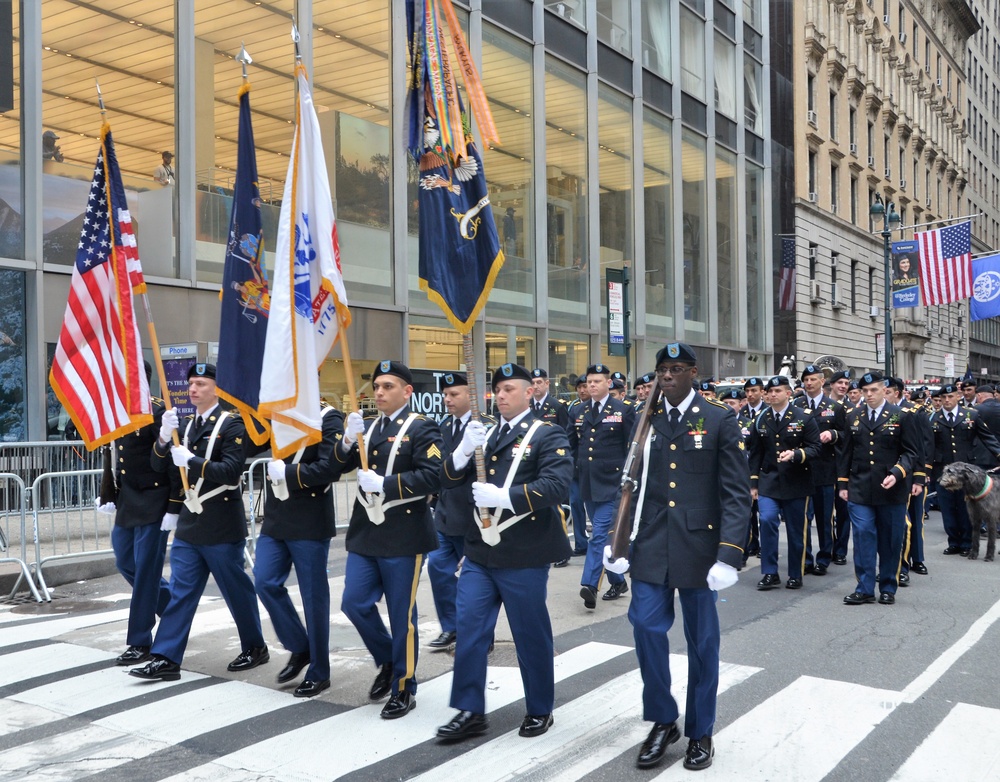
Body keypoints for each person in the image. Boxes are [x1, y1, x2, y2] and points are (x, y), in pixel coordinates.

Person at [605, 342, 749, 771]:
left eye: (675, 369)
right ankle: (664, 718)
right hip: (650, 544)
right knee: (646, 627)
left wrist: (729, 554)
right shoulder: (643, 420)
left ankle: (700, 729)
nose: (666, 376)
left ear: (693, 372)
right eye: (661, 370)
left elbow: (736, 494)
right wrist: (617, 545)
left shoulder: (719, 420)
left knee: (702, 642)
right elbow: (632, 486)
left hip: (701, 550)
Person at [436, 362, 573, 742]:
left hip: (524, 554)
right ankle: (469, 710)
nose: (501, 396)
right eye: (497, 390)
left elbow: (558, 486)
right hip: (481, 553)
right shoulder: (487, 433)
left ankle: (540, 708)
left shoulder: (548, 433)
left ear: (530, 392)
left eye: (509, 389)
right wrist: (463, 452)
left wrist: (506, 497)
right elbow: (446, 480)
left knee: (530, 635)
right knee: (469, 631)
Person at [130, 363, 268, 681]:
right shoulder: (188, 425)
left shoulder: (232, 425)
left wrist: (192, 461)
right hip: (191, 523)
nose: (193, 389)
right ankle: (166, 657)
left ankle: (255, 646)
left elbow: (231, 471)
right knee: (181, 591)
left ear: (217, 389)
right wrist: (163, 441)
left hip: (221, 522)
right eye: (191, 383)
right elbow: (158, 465)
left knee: (235, 589)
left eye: (201, 384)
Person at [334, 360, 443, 719]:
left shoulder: (422, 428)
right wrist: (348, 440)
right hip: (367, 532)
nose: (379, 392)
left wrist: (386, 484)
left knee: (401, 616)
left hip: (403, 533)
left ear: (407, 391)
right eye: (377, 386)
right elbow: (339, 466)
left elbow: (432, 477)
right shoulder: (369, 428)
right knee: (354, 602)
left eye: (388, 386)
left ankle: (404, 685)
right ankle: (387, 659)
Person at [253, 401, 345, 697]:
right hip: (277, 515)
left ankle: (320, 670)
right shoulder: (277, 411)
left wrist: (290, 473)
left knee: (313, 597)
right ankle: (300, 646)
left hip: (309, 519)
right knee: (264, 581)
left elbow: (331, 467)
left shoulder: (328, 418)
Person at [100, 361, 179, 666]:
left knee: (146, 572)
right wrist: (108, 491)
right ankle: (176, 610)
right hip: (129, 500)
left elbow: (171, 464)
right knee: (125, 561)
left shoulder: (158, 413)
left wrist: (174, 507)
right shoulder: (118, 411)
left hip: (155, 500)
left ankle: (140, 641)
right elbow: (116, 455)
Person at [837, 371, 921, 606]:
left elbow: (911, 452)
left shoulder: (902, 416)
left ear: (885, 390)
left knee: (890, 540)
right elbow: (846, 453)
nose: (869, 395)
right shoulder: (853, 415)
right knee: (863, 536)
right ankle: (864, 588)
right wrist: (843, 483)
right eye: (865, 391)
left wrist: (898, 473)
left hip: (892, 489)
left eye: (873, 390)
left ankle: (887, 586)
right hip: (860, 487)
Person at [426, 372, 493, 651]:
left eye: (454, 394)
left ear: (471, 396)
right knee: (438, 570)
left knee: (475, 582)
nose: (447, 399)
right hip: (445, 513)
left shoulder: (487, 427)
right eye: (445, 395)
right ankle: (451, 627)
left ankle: (481, 636)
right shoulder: (442, 427)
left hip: (474, 516)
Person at [570, 363, 637, 607]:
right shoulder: (578, 410)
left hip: (612, 483)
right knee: (600, 536)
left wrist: (629, 480)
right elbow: (571, 445)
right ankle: (618, 580)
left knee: (598, 534)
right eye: (589, 382)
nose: (592, 385)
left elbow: (632, 447)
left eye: (597, 381)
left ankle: (589, 584)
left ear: (608, 383)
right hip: (587, 481)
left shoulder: (623, 409)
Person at [748, 375, 821, 590]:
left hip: (796, 481)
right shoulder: (761, 419)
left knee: (796, 530)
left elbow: (815, 447)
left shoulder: (803, 417)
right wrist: (753, 483)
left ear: (788, 393)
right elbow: (755, 453)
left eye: (777, 391)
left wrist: (797, 454)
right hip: (769, 481)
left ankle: (795, 573)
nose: (772, 395)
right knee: (768, 520)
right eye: (769, 391)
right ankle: (770, 572)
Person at [930, 384, 1000, 556]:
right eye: (944, 398)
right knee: (947, 506)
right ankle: (953, 541)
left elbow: (987, 437)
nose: (947, 400)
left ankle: (967, 542)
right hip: (943, 469)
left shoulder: (972, 415)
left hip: (966, 473)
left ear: (958, 396)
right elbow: (927, 445)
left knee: (965, 507)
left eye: (951, 397)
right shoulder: (932, 418)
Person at [795, 364, 846, 577]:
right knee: (802, 518)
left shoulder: (833, 407)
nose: (809, 383)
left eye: (813, 379)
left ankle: (824, 557)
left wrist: (833, 434)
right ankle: (805, 558)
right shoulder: (795, 405)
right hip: (802, 470)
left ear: (822, 381)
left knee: (824, 518)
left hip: (825, 470)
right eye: (806, 380)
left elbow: (846, 436)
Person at [885, 378, 932, 582]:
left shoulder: (914, 412)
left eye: (886, 391)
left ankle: (917, 559)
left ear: (896, 393)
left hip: (911, 474)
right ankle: (900, 567)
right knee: (901, 522)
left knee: (914, 519)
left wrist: (920, 477)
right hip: (889, 475)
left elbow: (923, 446)